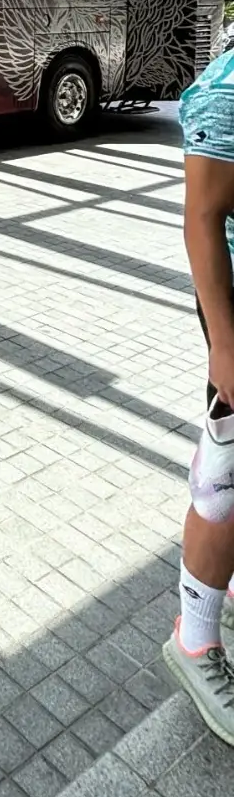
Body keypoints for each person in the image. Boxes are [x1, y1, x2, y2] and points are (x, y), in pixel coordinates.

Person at [163, 43, 234, 741]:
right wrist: (224, 351)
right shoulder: (225, 90)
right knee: (223, 487)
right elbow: (203, 220)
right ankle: (195, 639)